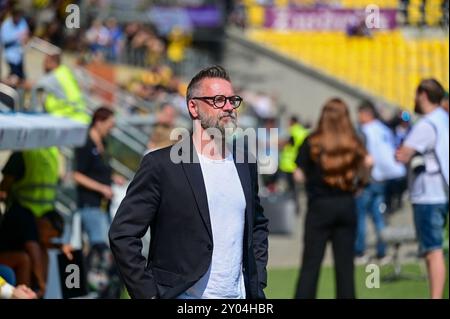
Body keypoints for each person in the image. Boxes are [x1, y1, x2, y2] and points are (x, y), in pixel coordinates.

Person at [109, 65, 269, 299]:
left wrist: (258, 281)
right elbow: (123, 234)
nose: (228, 107)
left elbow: (257, 226)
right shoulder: (160, 165)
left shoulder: (245, 164)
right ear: (193, 107)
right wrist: (148, 294)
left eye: (232, 100)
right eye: (218, 100)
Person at [293, 98, 369, 299]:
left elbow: (298, 174)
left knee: (310, 265)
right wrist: (360, 185)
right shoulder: (353, 141)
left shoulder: (312, 141)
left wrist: (311, 180)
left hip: (319, 207)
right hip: (346, 205)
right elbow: (367, 164)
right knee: (345, 268)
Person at [396, 79, 449, 299]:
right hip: (442, 190)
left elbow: (403, 154)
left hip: (428, 193)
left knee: (432, 251)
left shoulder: (427, 124)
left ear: (424, 94)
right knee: (434, 249)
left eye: (417, 94)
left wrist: (403, 153)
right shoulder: (443, 119)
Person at [72, 106, 122, 298]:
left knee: (104, 249)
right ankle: (86, 288)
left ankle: (99, 289)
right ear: (99, 122)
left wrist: (112, 178)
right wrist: (101, 188)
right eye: (110, 124)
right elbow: (77, 175)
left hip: (103, 206)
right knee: (99, 249)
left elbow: (101, 171)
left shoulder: (103, 143)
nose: (111, 128)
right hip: (90, 205)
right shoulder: (85, 144)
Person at [0, 147, 62, 297]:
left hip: (31, 208)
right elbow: (33, 249)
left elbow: (4, 186)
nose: (49, 240)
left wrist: (61, 246)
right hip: (32, 210)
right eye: (50, 237)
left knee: (39, 253)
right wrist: (41, 285)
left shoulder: (28, 153)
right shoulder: (53, 151)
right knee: (26, 260)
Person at [354, 101, 406, 264]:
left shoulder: (366, 131)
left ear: (366, 114)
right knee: (378, 217)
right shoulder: (383, 129)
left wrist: (360, 180)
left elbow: (365, 158)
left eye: (360, 114)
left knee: (361, 216)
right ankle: (382, 252)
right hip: (383, 179)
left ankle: (360, 252)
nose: (358, 117)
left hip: (369, 179)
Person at [34, 53, 91, 124]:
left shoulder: (55, 76)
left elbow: (36, 85)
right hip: (80, 117)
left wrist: (19, 82)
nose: (43, 65)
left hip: (70, 118)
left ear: (53, 63)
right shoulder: (65, 71)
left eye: (46, 62)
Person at [1, 8, 29, 79]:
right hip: (10, 55)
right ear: (13, 15)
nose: (18, 18)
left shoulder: (22, 21)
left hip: (19, 53)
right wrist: (17, 36)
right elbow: (4, 40)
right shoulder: (6, 25)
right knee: (15, 75)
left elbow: (26, 33)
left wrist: (25, 38)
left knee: (21, 75)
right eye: (17, 16)